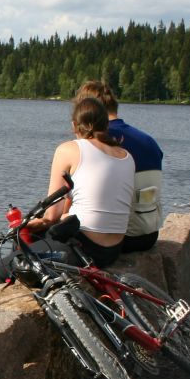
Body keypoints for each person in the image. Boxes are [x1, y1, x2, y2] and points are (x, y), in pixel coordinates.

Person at [0, 97, 134, 281]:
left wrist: (30, 223)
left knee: (0, 270)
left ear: (74, 125)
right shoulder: (126, 155)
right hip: (113, 249)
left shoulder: (69, 149)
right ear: (106, 125)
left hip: (84, 249)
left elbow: (51, 216)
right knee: (32, 244)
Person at [73, 80, 163, 252]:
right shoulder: (148, 140)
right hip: (150, 234)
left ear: (87, 110)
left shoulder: (98, 141)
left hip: (121, 238)